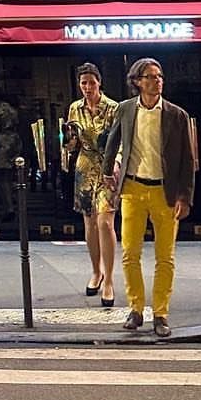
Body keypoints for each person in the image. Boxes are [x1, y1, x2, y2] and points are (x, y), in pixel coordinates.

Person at [101, 58, 193, 339]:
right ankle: (136, 308)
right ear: (137, 82)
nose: (157, 81)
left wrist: (185, 196)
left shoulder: (176, 115)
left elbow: (187, 160)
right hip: (132, 187)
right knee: (130, 252)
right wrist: (106, 171)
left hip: (165, 191)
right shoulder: (126, 109)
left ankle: (161, 313)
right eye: (150, 77)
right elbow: (113, 141)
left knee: (165, 257)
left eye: (159, 76)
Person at [62, 62, 119, 306]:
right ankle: (96, 271)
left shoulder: (113, 108)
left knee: (105, 221)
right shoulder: (75, 108)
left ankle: (109, 280)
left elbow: (120, 140)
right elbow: (72, 143)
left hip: (107, 165)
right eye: (83, 83)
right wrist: (69, 140)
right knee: (90, 222)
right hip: (85, 166)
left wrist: (116, 163)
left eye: (91, 82)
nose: (87, 87)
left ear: (99, 82)